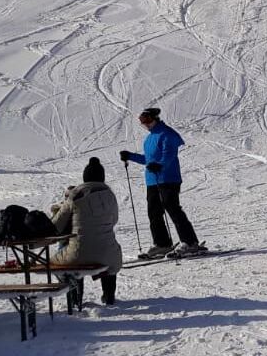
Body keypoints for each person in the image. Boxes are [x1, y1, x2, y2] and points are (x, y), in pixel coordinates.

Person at [120, 107, 204, 259]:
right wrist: (130, 156)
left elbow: (169, 155)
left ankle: (190, 242)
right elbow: (148, 159)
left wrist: (160, 165)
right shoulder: (150, 138)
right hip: (152, 180)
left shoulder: (166, 134)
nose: (145, 124)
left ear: (155, 118)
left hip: (168, 178)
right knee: (154, 212)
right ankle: (162, 244)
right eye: (143, 122)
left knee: (172, 209)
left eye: (147, 120)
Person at [52, 156, 124, 304]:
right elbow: (114, 220)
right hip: (109, 254)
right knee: (108, 252)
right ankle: (109, 295)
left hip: (79, 253)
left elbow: (57, 226)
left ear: (85, 178)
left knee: (55, 262)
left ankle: (75, 298)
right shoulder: (110, 195)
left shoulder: (75, 196)